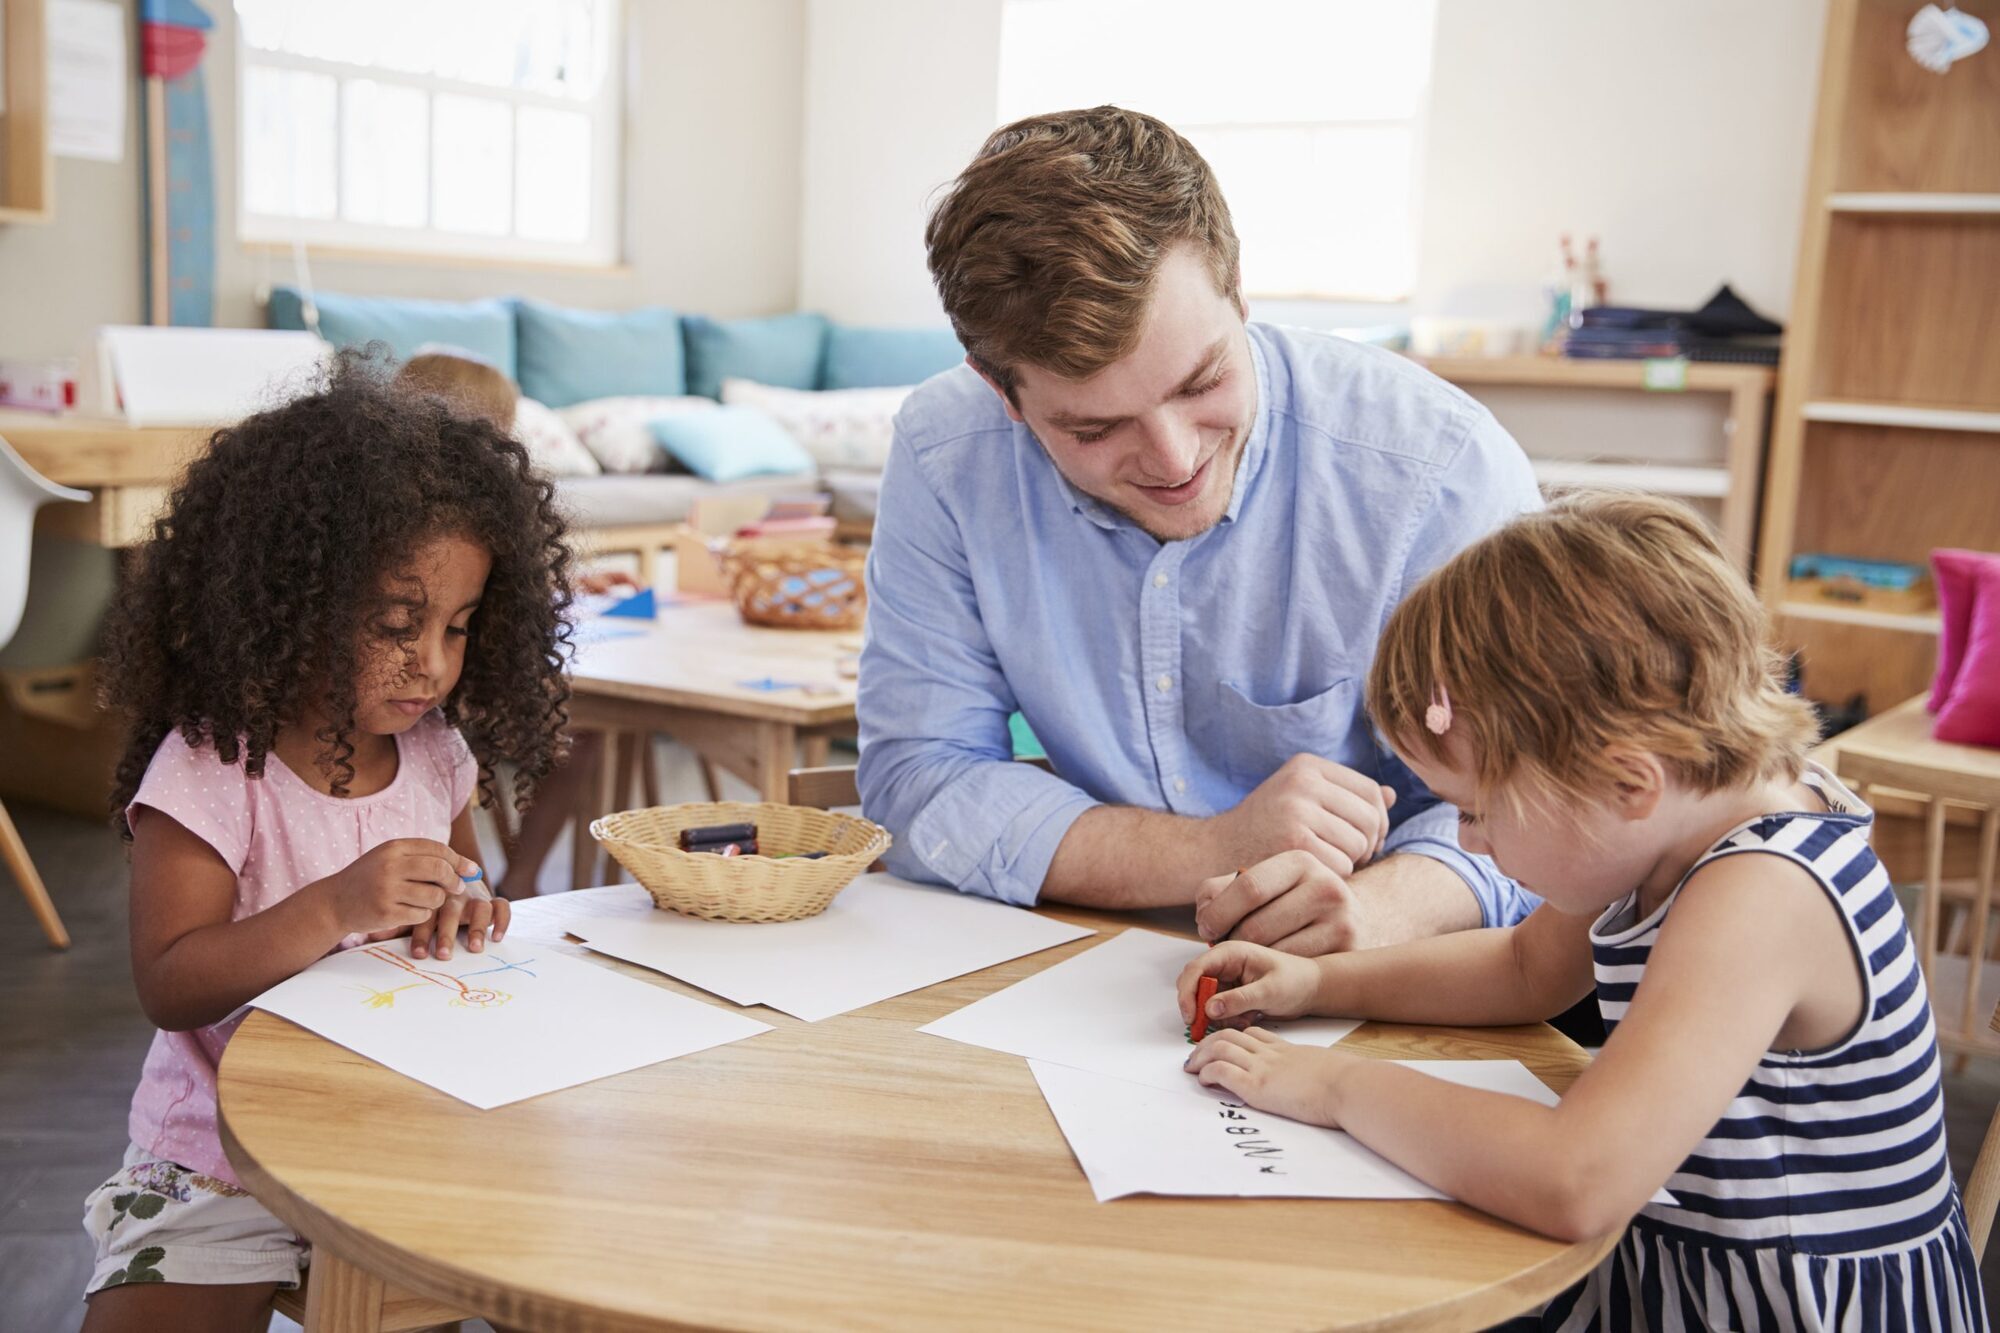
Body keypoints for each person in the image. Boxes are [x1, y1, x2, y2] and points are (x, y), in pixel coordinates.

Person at [1178, 493, 1988, 1330]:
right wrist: (1317, 981)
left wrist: (1337, 1084)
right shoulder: (1667, 824)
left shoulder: (1763, 890)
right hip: (1679, 1272)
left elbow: (1577, 1178)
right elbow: (1525, 967)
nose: (1468, 839)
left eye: (1479, 809)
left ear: (1627, 782)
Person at [858, 106, 1542, 953]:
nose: (1173, 458)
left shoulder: (1441, 468)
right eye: (1093, 430)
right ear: (1003, 394)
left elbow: (1547, 794)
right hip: (1072, 969)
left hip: (1394, 970)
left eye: (1201, 381)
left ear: (1239, 289)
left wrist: (1370, 914)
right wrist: (1216, 852)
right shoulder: (947, 452)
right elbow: (920, 777)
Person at [80, 359, 574, 1332]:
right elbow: (171, 981)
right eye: (397, 624)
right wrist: (336, 905)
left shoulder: (436, 755)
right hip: (214, 1155)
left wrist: (466, 904)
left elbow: (463, 881)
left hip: (389, 1134)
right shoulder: (215, 767)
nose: (431, 662)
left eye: (459, 628)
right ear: (295, 600)